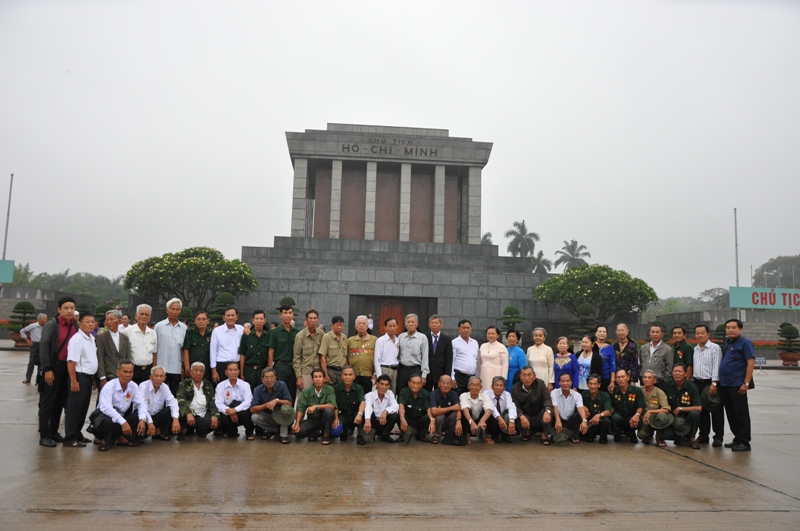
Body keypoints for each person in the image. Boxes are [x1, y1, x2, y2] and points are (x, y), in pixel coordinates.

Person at [38, 296, 78, 447]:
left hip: (68, 368)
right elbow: (43, 347)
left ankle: (54, 432)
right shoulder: (52, 325)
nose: (69, 311)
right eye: (66, 308)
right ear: (59, 310)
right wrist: (47, 369)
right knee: (47, 402)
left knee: (60, 402)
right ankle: (44, 435)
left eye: (72, 308)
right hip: (54, 367)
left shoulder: (76, 326)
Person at [91, 360, 149, 451]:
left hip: (120, 421)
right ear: (118, 372)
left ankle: (119, 437)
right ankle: (105, 441)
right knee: (107, 419)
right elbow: (106, 408)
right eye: (125, 372)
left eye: (130, 372)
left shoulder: (133, 386)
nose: (128, 375)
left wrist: (142, 419)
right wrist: (123, 422)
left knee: (139, 415)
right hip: (104, 421)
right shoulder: (109, 386)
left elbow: (141, 403)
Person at [63, 312, 98, 447]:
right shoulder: (77, 339)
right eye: (87, 322)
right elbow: (71, 361)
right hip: (79, 377)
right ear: (80, 324)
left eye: (92, 322)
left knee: (83, 408)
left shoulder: (91, 338)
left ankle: (77, 433)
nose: (90, 324)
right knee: (74, 409)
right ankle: (70, 438)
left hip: (88, 377)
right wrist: (73, 380)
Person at [719, 318, 755, 452]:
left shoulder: (745, 343)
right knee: (731, 413)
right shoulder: (727, 342)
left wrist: (746, 383)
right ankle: (737, 438)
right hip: (725, 384)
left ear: (740, 329)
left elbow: (750, 363)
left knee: (741, 413)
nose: (730, 330)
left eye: (733, 327)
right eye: (728, 327)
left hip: (737, 384)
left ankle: (745, 441)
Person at [692, 324, 724, 447]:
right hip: (697, 382)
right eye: (697, 333)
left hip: (710, 382)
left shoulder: (714, 348)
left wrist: (714, 383)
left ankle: (718, 437)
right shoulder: (695, 349)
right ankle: (703, 435)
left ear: (708, 334)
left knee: (715, 410)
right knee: (702, 411)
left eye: (702, 333)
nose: (700, 335)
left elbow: (717, 365)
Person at [176, 362, 220, 440]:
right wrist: (188, 413)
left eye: (201, 371)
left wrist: (214, 416)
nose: (198, 373)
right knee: (203, 423)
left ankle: (197, 428)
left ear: (203, 373)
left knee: (218, 422)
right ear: (191, 372)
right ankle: (194, 428)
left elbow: (212, 402)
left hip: (203, 413)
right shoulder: (184, 383)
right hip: (189, 413)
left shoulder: (208, 385)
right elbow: (181, 400)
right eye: (196, 370)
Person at [661, 364, 701, 449]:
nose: (677, 374)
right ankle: (680, 437)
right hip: (672, 418)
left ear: (686, 374)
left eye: (680, 371)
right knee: (665, 435)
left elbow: (699, 408)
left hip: (686, 417)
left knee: (695, 414)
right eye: (675, 371)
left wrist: (681, 409)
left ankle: (692, 439)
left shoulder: (692, 387)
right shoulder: (666, 385)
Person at [292, 368, 337, 444]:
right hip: (313, 419)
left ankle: (326, 436)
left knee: (328, 411)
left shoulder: (330, 389)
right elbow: (300, 408)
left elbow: (332, 405)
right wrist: (297, 424)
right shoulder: (307, 391)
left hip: (325, 419)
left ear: (323, 379)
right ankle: (315, 433)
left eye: (320, 377)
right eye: (315, 377)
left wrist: (316, 406)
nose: (318, 379)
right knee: (299, 432)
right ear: (312, 379)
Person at [511, 365, 553, 445]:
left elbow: (547, 399)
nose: (527, 378)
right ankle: (527, 431)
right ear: (520, 377)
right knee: (515, 414)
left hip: (539, 415)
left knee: (550, 410)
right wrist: (521, 416)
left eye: (529, 375)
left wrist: (547, 411)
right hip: (526, 416)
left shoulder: (540, 384)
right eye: (524, 375)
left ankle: (544, 434)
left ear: (534, 376)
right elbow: (516, 406)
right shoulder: (515, 389)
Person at [250, 367, 294, 443]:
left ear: (275, 377)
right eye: (266, 377)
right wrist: (266, 404)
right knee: (254, 417)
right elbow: (252, 409)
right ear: (262, 379)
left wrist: (276, 401)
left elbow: (289, 402)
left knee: (285, 409)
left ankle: (283, 435)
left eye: (272, 377)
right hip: (268, 415)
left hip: (281, 415)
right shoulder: (258, 389)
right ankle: (274, 430)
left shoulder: (282, 385)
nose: (269, 380)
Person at [154, 298, 187, 396]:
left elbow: (184, 350)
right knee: (159, 395)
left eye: (177, 309)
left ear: (180, 311)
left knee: (174, 395)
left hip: (176, 368)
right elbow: (154, 348)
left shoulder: (184, 328)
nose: (175, 311)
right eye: (172, 309)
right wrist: (154, 367)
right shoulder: (159, 326)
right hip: (161, 367)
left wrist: (183, 369)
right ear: (167, 310)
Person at [139, 365, 180, 441]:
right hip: (144, 417)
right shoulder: (143, 386)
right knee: (138, 413)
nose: (158, 378)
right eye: (156, 376)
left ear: (164, 378)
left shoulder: (165, 387)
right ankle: (143, 433)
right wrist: (150, 422)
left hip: (157, 416)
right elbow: (141, 406)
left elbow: (172, 401)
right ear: (150, 377)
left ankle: (158, 432)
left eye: (161, 376)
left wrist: (175, 419)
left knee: (170, 409)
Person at [215, 361, 255, 439]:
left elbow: (248, 401)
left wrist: (235, 410)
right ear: (226, 372)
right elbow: (218, 403)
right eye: (230, 370)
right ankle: (231, 432)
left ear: (239, 372)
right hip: (228, 410)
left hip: (241, 410)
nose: (233, 372)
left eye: (235, 370)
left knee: (245, 414)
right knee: (224, 417)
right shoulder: (220, 386)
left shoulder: (245, 385)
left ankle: (249, 433)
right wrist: (230, 411)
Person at [95, 310, 131, 394]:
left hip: (122, 376)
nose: (109, 322)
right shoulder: (101, 337)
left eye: (112, 319)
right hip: (107, 376)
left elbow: (128, 357)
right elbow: (99, 357)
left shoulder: (124, 338)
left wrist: (128, 373)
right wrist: (102, 377)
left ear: (119, 321)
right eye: (107, 320)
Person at [269, 304, 300, 399]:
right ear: (280, 315)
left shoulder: (297, 332)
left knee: (292, 394)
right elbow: (271, 352)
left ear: (293, 315)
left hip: (293, 367)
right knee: (278, 393)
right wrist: (270, 370)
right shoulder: (275, 332)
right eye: (285, 313)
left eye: (290, 313)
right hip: (280, 367)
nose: (288, 315)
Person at [123, 304, 158, 385]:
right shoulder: (127, 332)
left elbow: (154, 353)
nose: (144, 316)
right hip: (132, 370)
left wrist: (153, 369)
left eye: (147, 315)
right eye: (141, 314)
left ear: (150, 317)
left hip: (148, 370)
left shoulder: (153, 333)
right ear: (136, 316)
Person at [550, 373, 588, 443]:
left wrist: (584, 420)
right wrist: (558, 420)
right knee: (550, 412)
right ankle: (556, 433)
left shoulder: (577, 395)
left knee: (579, 414)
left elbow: (580, 408)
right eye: (563, 381)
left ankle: (574, 435)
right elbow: (554, 406)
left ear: (571, 382)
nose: (565, 383)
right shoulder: (554, 393)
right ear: (559, 383)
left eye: (567, 381)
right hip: (558, 419)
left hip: (570, 420)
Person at [610, 369, 646, 443]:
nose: (621, 379)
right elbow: (612, 406)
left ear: (628, 378)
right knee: (615, 418)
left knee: (637, 420)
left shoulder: (636, 390)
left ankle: (631, 433)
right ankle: (617, 433)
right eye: (618, 377)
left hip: (631, 416)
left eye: (623, 377)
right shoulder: (614, 390)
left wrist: (637, 415)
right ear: (616, 379)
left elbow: (640, 406)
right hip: (619, 415)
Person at [396, 314, 429, 394]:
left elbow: (425, 356)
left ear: (417, 324)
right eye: (408, 322)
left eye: (413, 322)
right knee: (401, 392)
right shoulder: (400, 337)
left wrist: (424, 375)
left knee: (415, 392)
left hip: (415, 369)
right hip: (402, 370)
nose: (410, 324)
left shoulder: (422, 337)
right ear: (405, 324)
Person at [293, 309, 324, 394]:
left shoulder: (322, 334)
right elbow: (296, 358)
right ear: (306, 320)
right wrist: (298, 377)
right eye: (310, 318)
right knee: (303, 398)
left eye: (315, 318)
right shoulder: (300, 336)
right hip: (305, 372)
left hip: (318, 372)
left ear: (318, 320)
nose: (313, 320)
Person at [637, 370, 671, 447]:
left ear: (654, 380)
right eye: (645, 377)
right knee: (641, 435)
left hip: (655, 419)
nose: (646, 379)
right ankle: (648, 434)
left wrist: (650, 412)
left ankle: (659, 438)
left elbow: (666, 409)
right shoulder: (639, 390)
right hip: (644, 419)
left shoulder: (659, 392)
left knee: (662, 416)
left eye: (649, 378)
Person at [362, 374, 400, 443]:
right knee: (367, 412)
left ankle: (385, 434)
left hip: (384, 422)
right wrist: (367, 420)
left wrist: (385, 411)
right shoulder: (369, 395)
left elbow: (396, 406)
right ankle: (370, 434)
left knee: (395, 415)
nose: (384, 387)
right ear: (377, 384)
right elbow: (368, 407)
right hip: (372, 423)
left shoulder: (390, 393)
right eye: (381, 384)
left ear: (389, 386)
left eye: (386, 385)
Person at [210, 307, 244, 384]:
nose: (230, 317)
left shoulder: (241, 329)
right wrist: (214, 370)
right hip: (222, 365)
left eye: (233, 315)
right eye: (228, 315)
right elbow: (213, 351)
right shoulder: (217, 331)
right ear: (224, 317)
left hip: (236, 365)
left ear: (237, 317)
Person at [239, 310, 271, 392]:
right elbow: (242, 355)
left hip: (262, 370)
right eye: (257, 319)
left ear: (265, 320)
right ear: (253, 320)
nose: (259, 321)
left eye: (261, 319)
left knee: (262, 393)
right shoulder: (246, 335)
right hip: (249, 371)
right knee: (248, 394)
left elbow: (270, 354)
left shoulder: (269, 335)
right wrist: (242, 373)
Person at [333, 366, 365, 443]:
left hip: (355, 414)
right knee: (334, 431)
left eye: (350, 375)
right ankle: (344, 431)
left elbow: (362, 402)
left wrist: (360, 414)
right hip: (343, 415)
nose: (348, 377)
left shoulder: (359, 388)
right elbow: (335, 404)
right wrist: (336, 418)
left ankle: (360, 436)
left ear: (354, 377)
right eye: (345, 374)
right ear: (341, 377)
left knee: (363, 413)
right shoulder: (336, 388)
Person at [429, 375, 464, 445]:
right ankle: (436, 435)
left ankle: (450, 434)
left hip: (449, 420)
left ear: (451, 385)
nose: (445, 385)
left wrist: (458, 421)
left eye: (448, 383)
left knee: (455, 415)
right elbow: (434, 411)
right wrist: (451, 408)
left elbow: (458, 408)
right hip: (436, 420)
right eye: (443, 383)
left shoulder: (454, 394)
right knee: (440, 416)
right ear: (439, 384)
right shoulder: (433, 394)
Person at [397, 373, 432, 443]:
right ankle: (403, 434)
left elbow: (428, 409)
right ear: (409, 383)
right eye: (413, 383)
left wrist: (432, 420)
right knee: (398, 414)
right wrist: (402, 419)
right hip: (407, 420)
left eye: (418, 383)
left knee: (427, 417)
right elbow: (401, 406)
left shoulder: (425, 393)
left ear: (422, 384)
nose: (415, 385)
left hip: (419, 420)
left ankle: (421, 435)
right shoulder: (404, 391)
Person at [346, 315, 377, 393]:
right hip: (353, 375)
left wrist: (375, 372)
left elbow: (378, 357)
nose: (361, 326)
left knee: (366, 396)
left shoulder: (374, 340)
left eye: (363, 324)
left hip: (368, 374)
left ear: (367, 326)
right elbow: (346, 357)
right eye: (359, 324)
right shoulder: (350, 340)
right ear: (355, 326)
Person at [459, 376, 494, 444]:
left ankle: (485, 435)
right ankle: (467, 435)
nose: (474, 387)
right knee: (465, 412)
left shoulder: (485, 396)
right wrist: (471, 422)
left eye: (477, 385)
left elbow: (489, 409)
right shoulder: (463, 395)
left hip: (480, 421)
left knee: (488, 412)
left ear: (481, 387)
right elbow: (465, 409)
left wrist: (482, 421)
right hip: (469, 421)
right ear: (468, 386)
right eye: (472, 385)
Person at [484, 376, 517, 443]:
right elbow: (491, 407)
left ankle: (505, 435)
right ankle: (494, 435)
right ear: (492, 387)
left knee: (509, 415)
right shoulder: (486, 393)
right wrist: (499, 418)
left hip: (503, 417)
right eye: (496, 385)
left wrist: (512, 421)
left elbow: (511, 406)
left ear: (504, 388)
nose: (499, 388)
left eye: (501, 385)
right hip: (493, 418)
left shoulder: (507, 394)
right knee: (490, 415)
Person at [581, 374, 612, 443]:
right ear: (587, 384)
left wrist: (599, 415)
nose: (593, 386)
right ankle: (589, 434)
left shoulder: (605, 395)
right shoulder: (583, 394)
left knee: (606, 420)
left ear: (599, 385)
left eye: (595, 384)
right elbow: (578, 407)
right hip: (588, 421)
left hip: (600, 421)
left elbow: (608, 411)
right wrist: (583, 407)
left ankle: (603, 435)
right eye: (590, 384)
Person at [426, 315, 453, 393]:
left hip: (441, 373)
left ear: (441, 324)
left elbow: (449, 358)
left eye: (436, 323)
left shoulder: (446, 339)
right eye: (432, 323)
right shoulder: (424, 337)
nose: (434, 325)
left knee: (440, 395)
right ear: (429, 325)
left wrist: (447, 375)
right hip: (427, 373)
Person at [183, 310, 212, 381]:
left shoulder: (212, 333)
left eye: (203, 319)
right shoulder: (190, 332)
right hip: (193, 368)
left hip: (207, 368)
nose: (201, 321)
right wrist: (187, 367)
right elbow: (186, 350)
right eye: (198, 319)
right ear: (195, 321)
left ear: (208, 321)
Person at [476, 326, 508, 392]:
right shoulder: (483, 346)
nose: (490, 335)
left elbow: (505, 364)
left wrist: (503, 378)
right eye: (488, 333)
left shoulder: (501, 347)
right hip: (484, 373)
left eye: (493, 333)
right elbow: (479, 361)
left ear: (498, 335)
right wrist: (478, 375)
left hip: (496, 373)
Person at [319, 315, 348, 385]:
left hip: (341, 371)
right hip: (330, 371)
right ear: (332, 325)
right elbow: (322, 357)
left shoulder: (344, 337)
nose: (339, 327)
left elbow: (345, 357)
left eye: (341, 325)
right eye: (337, 325)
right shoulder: (326, 337)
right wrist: (325, 374)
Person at [451, 319, 478, 391]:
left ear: (471, 329)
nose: (466, 330)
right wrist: (452, 377)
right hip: (459, 376)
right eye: (463, 328)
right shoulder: (454, 342)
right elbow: (451, 361)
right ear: (459, 329)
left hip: (472, 377)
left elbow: (476, 360)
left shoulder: (475, 343)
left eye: (468, 328)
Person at [375, 317, 401, 394]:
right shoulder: (380, 340)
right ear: (385, 327)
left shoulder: (398, 340)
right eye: (390, 326)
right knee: (383, 392)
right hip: (385, 369)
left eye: (394, 326)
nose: (392, 328)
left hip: (395, 370)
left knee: (392, 393)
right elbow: (377, 359)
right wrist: (379, 376)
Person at [20, 313, 47, 384]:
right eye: (45, 319)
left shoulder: (46, 327)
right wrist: (27, 340)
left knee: (41, 362)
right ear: (40, 319)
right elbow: (22, 331)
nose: (46, 320)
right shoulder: (33, 326)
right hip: (34, 344)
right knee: (32, 362)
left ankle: (39, 379)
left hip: (43, 345)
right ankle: (28, 378)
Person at [526, 327, 554, 391]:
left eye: (540, 335)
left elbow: (551, 366)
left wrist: (550, 382)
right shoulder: (529, 349)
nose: (538, 337)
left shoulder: (548, 349)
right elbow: (527, 365)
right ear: (533, 337)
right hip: (531, 378)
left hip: (544, 376)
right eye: (536, 335)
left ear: (544, 338)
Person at [595, 325, 617, 392]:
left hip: (606, 377)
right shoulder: (591, 345)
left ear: (606, 334)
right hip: (592, 377)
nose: (602, 333)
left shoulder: (610, 348)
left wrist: (612, 381)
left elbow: (612, 364)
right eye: (600, 331)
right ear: (595, 333)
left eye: (604, 332)